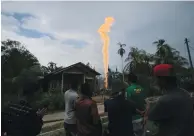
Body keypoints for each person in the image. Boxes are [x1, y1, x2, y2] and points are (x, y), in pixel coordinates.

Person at [148, 64, 194, 136]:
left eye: (156, 79)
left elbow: (151, 117)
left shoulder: (165, 100)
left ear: (163, 80)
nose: (155, 82)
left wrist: (149, 105)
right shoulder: (186, 94)